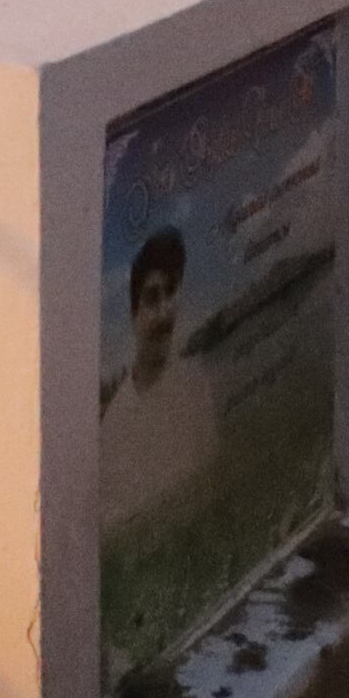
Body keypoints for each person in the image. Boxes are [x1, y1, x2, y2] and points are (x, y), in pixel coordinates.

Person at [98, 227, 215, 532]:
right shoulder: (114, 429)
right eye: (151, 298)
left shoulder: (195, 383)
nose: (164, 312)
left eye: (170, 291)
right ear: (134, 316)